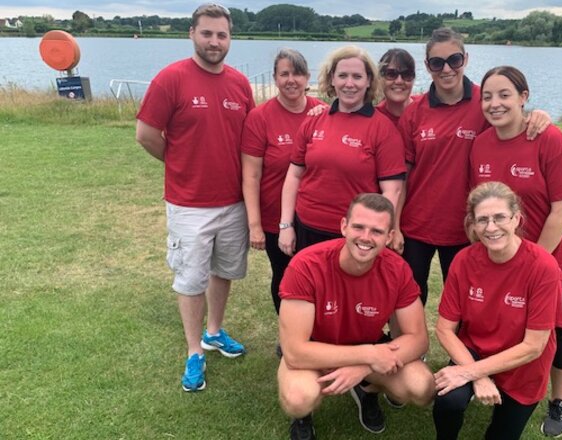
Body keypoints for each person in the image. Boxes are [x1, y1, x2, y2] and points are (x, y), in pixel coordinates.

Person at [135, 3, 254, 392]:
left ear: (229, 38)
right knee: (190, 278)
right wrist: (179, 162)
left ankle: (214, 332)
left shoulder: (239, 83)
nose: (215, 41)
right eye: (207, 33)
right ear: (192, 34)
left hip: (233, 201)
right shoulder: (171, 79)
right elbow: (147, 134)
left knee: (223, 271)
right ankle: (194, 352)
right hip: (188, 204)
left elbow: (251, 140)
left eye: (222, 35)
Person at [469, 65, 562, 437]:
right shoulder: (481, 144)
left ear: (523, 97)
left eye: (504, 94)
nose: (495, 103)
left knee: (557, 331)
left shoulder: (548, 137)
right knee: (512, 325)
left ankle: (558, 401)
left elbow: (561, 208)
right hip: (501, 260)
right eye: (487, 96)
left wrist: (533, 262)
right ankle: (502, 383)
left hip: (556, 261)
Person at [397, 28, 551, 305]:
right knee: (407, 296)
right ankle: (410, 349)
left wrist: (537, 115)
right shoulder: (414, 111)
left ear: (465, 59)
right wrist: (395, 224)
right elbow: (403, 177)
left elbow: (513, 117)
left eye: (454, 60)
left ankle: (467, 349)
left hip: (468, 227)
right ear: (427, 66)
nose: (446, 69)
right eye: (437, 62)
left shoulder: (485, 101)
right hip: (415, 226)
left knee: (468, 300)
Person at [277, 193, 434, 440]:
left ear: (390, 237)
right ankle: (303, 417)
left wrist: (361, 367)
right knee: (299, 398)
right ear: (343, 226)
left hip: (367, 347)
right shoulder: (306, 265)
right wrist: (370, 356)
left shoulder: (397, 269)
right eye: (358, 227)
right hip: (317, 351)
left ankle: (366, 388)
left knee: (421, 387)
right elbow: (295, 352)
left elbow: (418, 339)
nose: (365, 237)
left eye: (376, 231)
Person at [432, 182, 562, 440]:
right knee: (448, 400)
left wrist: (470, 373)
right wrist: (478, 374)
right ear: (473, 224)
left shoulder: (543, 267)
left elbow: (534, 347)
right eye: (482, 220)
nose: (491, 228)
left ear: (516, 219)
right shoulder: (464, 260)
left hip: (524, 365)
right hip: (476, 351)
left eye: (500, 217)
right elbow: (444, 329)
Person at [278, 46, 406, 257]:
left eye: (357, 76)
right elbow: (293, 175)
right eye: (343, 76)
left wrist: (375, 232)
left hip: (355, 234)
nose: (349, 83)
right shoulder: (314, 120)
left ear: (368, 81)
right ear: (332, 80)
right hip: (307, 228)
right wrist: (286, 225)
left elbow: (392, 191)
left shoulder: (383, 129)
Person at [241, 49, 325, 315]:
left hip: (314, 217)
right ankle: (289, 335)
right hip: (275, 217)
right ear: (275, 78)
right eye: (285, 73)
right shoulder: (260, 117)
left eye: (297, 73)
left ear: (307, 77)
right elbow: (251, 176)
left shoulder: (322, 112)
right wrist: (255, 226)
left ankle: (319, 335)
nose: (292, 80)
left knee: (319, 277)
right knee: (285, 276)